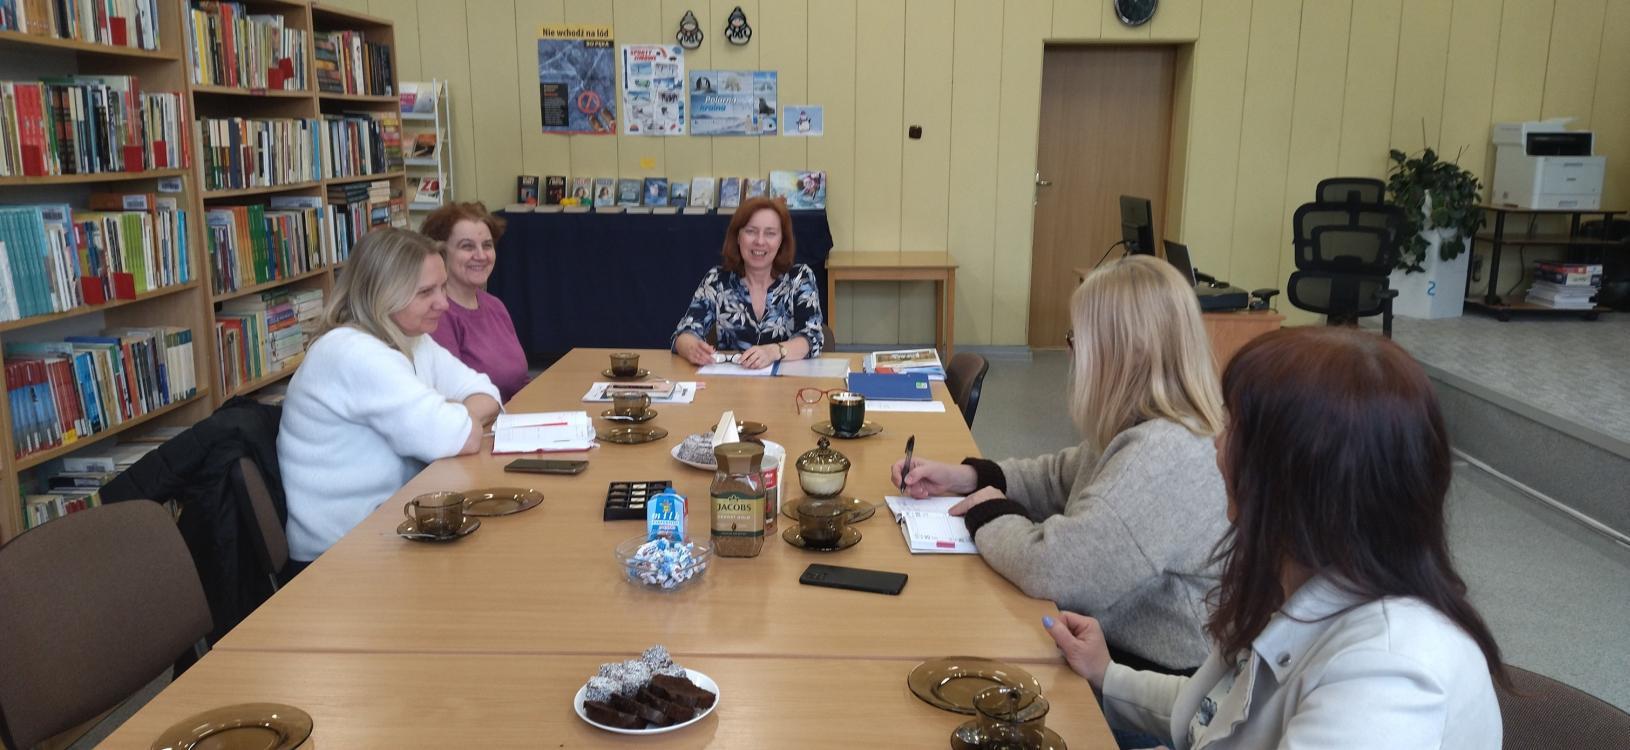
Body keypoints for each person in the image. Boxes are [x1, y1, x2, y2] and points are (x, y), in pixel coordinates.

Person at [1043, 326, 1506, 749]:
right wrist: (1106, 674)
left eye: (1233, 426)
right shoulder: (1300, 578)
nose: (1216, 443)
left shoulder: (1387, 673)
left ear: (1293, 474)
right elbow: (1216, 711)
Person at [893, 255, 1228, 673]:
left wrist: (987, 510)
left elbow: (1054, 569)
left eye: (1076, 339)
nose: (1071, 356)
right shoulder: (1148, 423)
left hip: (1148, 676)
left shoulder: (1163, 454)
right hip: (1110, 646)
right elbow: (1060, 477)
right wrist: (968, 477)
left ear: (1127, 351)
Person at [279, 229, 501, 565]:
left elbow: (487, 394)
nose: (443, 303)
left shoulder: (411, 338)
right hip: (340, 558)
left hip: (388, 529)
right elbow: (462, 436)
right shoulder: (353, 352)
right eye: (425, 292)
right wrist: (453, 419)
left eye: (442, 287)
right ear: (383, 294)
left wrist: (451, 415)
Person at [672, 196, 824, 369]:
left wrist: (773, 352)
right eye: (751, 231)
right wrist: (691, 348)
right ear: (738, 236)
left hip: (788, 381)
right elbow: (684, 334)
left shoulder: (800, 278)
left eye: (770, 233)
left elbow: (812, 338)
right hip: (731, 382)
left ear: (782, 240)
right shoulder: (717, 280)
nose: (760, 241)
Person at [421, 202, 529, 402]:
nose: (481, 256)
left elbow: (520, 380)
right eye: (467, 246)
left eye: (487, 245)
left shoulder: (495, 305)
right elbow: (450, 398)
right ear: (441, 252)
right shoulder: (437, 315)